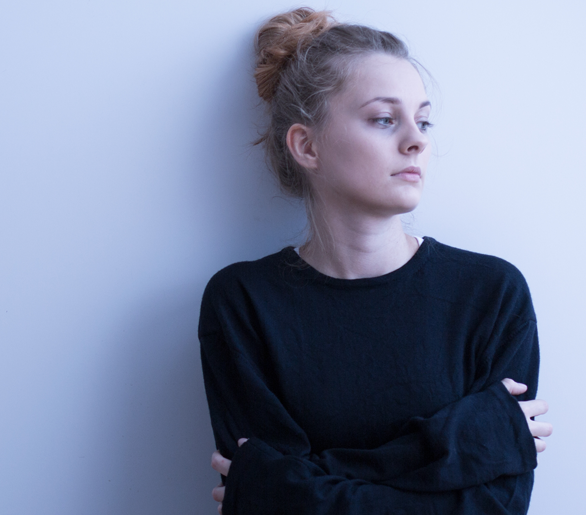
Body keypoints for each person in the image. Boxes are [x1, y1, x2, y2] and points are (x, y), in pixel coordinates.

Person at [198, 7, 552, 514]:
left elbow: (495, 507)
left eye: (423, 120)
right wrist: (463, 441)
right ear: (307, 145)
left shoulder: (492, 294)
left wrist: (291, 487)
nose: (417, 140)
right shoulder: (242, 303)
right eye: (385, 119)